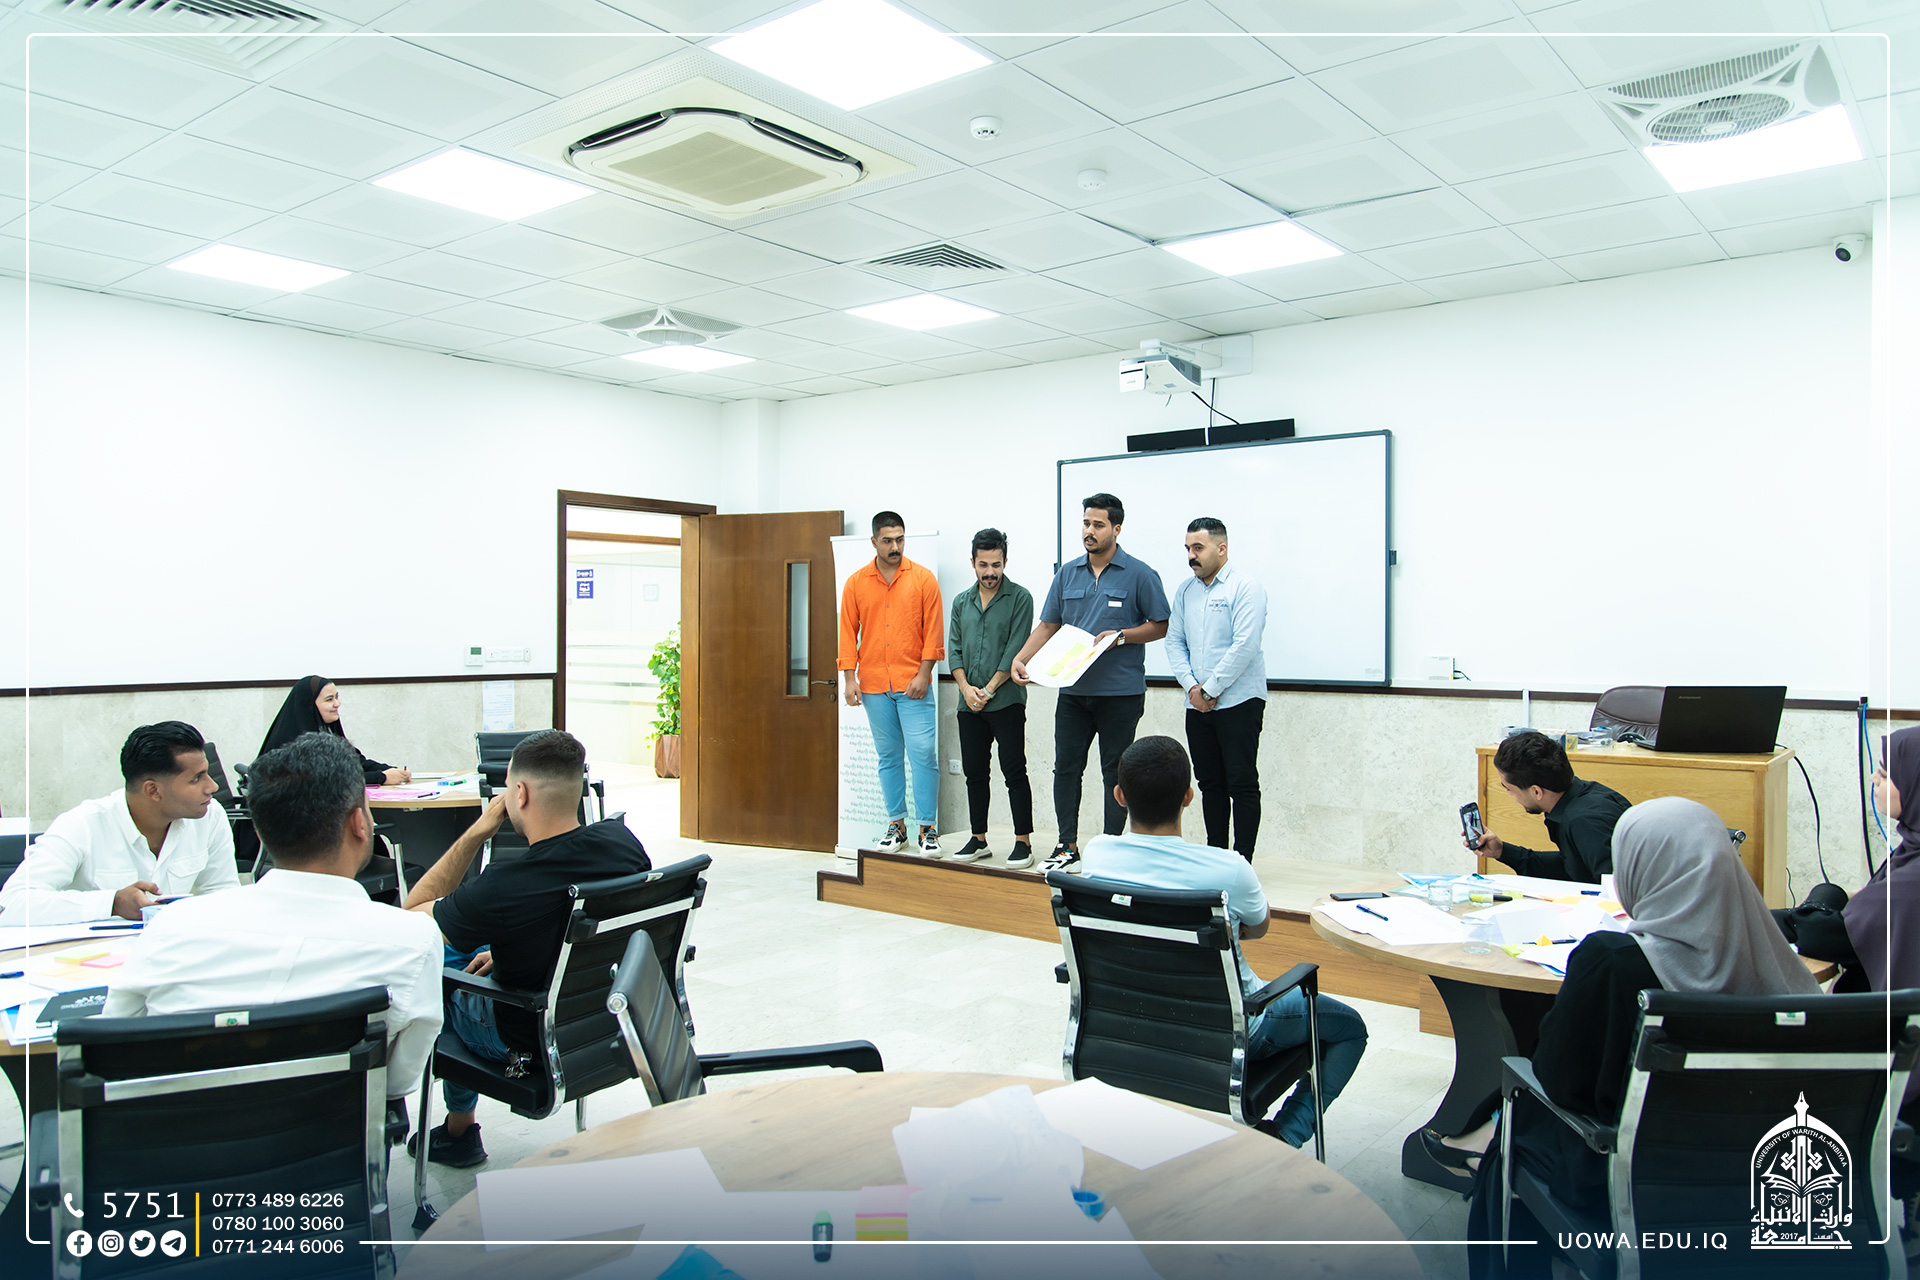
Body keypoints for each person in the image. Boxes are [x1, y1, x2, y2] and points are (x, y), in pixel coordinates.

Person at [1456, 797, 1820, 1278]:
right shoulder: (1780, 966)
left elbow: (1558, 1079)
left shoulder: (1613, 962)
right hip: (1766, 1183)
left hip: (1628, 1178)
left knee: (1517, 1122)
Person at [102, 732, 442, 1105]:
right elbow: (396, 1083)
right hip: (329, 1133)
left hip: (181, 1132)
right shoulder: (412, 940)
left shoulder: (171, 925)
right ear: (359, 824)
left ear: (262, 830)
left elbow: (113, 1047)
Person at [1079, 736, 1368, 1149]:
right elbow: (1260, 927)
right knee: (1350, 1028)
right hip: (1234, 1026)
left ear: (1120, 796)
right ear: (1189, 796)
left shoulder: (1097, 854)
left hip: (1130, 1023)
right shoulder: (1229, 869)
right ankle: (1285, 1137)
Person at [402, 729, 649, 1168]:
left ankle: (459, 1131)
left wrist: (476, 833)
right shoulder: (622, 843)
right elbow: (578, 923)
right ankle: (458, 1129)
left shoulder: (504, 886)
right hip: (608, 1018)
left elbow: (412, 918)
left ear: (519, 793)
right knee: (476, 945)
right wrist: (505, 951)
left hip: (527, 1037)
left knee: (437, 959)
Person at [1011, 493, 1170, 872]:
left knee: (1116, 773)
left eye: (1098, 525)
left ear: (1117, 528)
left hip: (1120, 694)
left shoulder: (1140, 574)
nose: (1090, 531)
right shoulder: (1067, 573)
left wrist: (1122, 636)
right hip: (1073, 692)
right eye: (1086, 523)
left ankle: (1111, 849)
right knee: (1066, 769)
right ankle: (1066, 846)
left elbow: (1160, 625)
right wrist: (1021, 658)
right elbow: (1048, 624)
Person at [0, 721, 237, 924]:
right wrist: (112, 903)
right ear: (153, 790)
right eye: (196, 779)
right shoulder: (82, 824)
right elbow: (11, 903)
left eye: (207, 773)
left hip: (171, 951)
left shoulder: (211, 815)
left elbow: (224, 896)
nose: (212, 787)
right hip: (91, 956)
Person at [838, 511, 945, 857]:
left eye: (900, 539)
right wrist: (849, 678)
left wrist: (924, 674)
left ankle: (927, 829)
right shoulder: (856, 583)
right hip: (873, 686)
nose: (895, 546)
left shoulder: (923, 579)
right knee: (888, 756)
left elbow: (934, 632)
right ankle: (897, 826)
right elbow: (847, 633)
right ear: (874, 541)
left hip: (913, 683)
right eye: (887, 541)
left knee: (923, 754)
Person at [1166, 517, 1269, 862]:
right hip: (1196, 704)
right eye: (1188, 549)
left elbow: (1246, 645)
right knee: (1209, 784)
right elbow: (1174, 642)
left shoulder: (1245, 587)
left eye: (1198, 548)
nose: (1191, 556)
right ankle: (1216, 857)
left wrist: (1209, 690)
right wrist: (1193, 688)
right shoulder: (1186, 591)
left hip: (1240, 701)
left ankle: (1242, 862)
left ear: (1221, 548)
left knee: (1241, 783)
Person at [947, 528, 1036, 867]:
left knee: (1014, 771)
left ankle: (1023, 841)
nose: (989, 572)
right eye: (983, 565)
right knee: (974, 772)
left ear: (1005, 562)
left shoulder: (1020, 598)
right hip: (968, 703)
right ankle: (978, 839)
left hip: (1006, 701)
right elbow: (954, 650)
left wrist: (988, 689)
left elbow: (1016, 649)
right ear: (972, 562)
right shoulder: (961, 602)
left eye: (996, 565)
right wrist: (966, 689)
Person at [1466, 730, 1629, 883]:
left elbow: (1615, 890)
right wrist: (1502, 851)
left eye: (1508, 789)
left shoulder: (1584, 822)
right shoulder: (1584, 796)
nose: (1510, 795)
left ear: (1536, 791)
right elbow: (1571, 867)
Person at [261, 675, 412, 786]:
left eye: (336, 697)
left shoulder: (325, 734)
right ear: (309, 706)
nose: (337, 704)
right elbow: (327, 782)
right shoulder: (292, 744)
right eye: (329, 699)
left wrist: (393, 771)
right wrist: (382, 777)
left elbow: (356, 762)